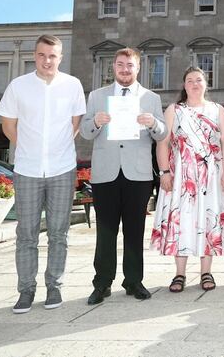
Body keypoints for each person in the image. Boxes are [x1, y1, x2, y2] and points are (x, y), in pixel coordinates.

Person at [0, 34, 86, 314]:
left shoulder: (72, 85)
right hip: (27, 170)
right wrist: (30, 148)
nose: (47, 61)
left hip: (62, 169)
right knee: (26, 234)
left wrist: (57, 149)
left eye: (53, 56)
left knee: (59, 233)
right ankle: (26, 290)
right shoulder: (18, 86)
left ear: (60, 57)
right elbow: (8, 127)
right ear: (34, 56)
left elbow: (75, 125)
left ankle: (54, 285)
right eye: (41, 55)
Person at [80, 48, 166, 305]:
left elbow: (162, 134)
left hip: (137, 175)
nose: (125, 69)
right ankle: (102, 283)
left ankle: (133, 281)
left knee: (134, 230)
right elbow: (85, 132)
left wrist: (152, 123)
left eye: (130, 65)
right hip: (106, 173)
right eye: (120, 65)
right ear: (113, 68)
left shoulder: (150, 98)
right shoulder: (97, 96)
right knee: (105, 231)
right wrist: (96, 121)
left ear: (138, 68)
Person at [151, 67, 224, 292]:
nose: (195, 84)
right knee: (182, 220)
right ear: (184, 85)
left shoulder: (217, 110)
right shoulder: (174, 110)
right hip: (180, 178)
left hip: (211, 177)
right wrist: (164, 172)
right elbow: (163, 143)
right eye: (190, 80)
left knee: (208, 219)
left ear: (206, 84)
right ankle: (180, 274)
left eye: (199, 80)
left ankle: (206, 272)